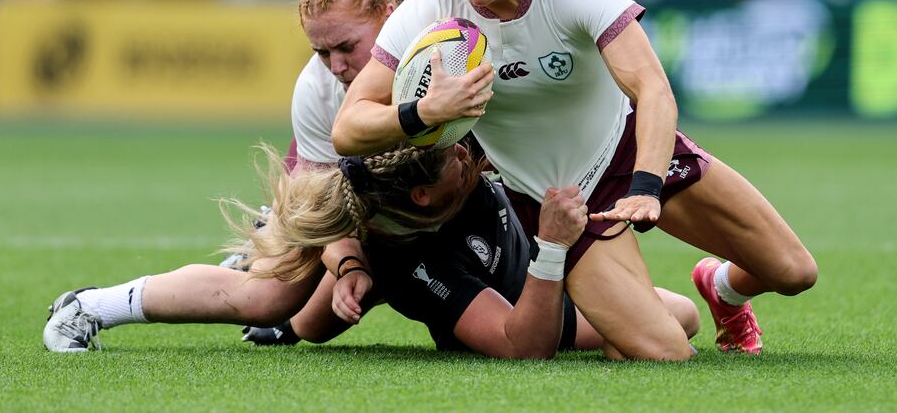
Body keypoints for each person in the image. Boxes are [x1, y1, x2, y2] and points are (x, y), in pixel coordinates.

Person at [331, 0, 817, 360]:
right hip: (559, 202)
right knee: (667, 353)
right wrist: (425, 112)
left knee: (794, 271)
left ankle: (721, 286)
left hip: (629, 151)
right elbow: (349, 126)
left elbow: (652, 88)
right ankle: (623, 311)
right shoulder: (433, 4)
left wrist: (646, 187)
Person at [43, 0, 412, 352]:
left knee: (318, 319)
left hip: (409, 195)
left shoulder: (443, 44)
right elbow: (331, 222)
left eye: (346, 46)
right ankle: (90, 307)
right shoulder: (317, 90)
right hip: (336, 184)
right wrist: (348, 264)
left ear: (390, 13)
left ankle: (270, 248)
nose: (336, 67)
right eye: (321, 52)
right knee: (268, 299)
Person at [238, 141, 699, 358]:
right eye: (452, 158)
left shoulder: (448, 159)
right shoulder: (414, 261)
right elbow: (522, 346)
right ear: (423, 195)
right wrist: (553, 246)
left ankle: (304, 298)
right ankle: (280, 310)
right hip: (528, 308)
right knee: (312, 324)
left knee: (682, 316)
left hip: (540, 286)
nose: (462, 152)